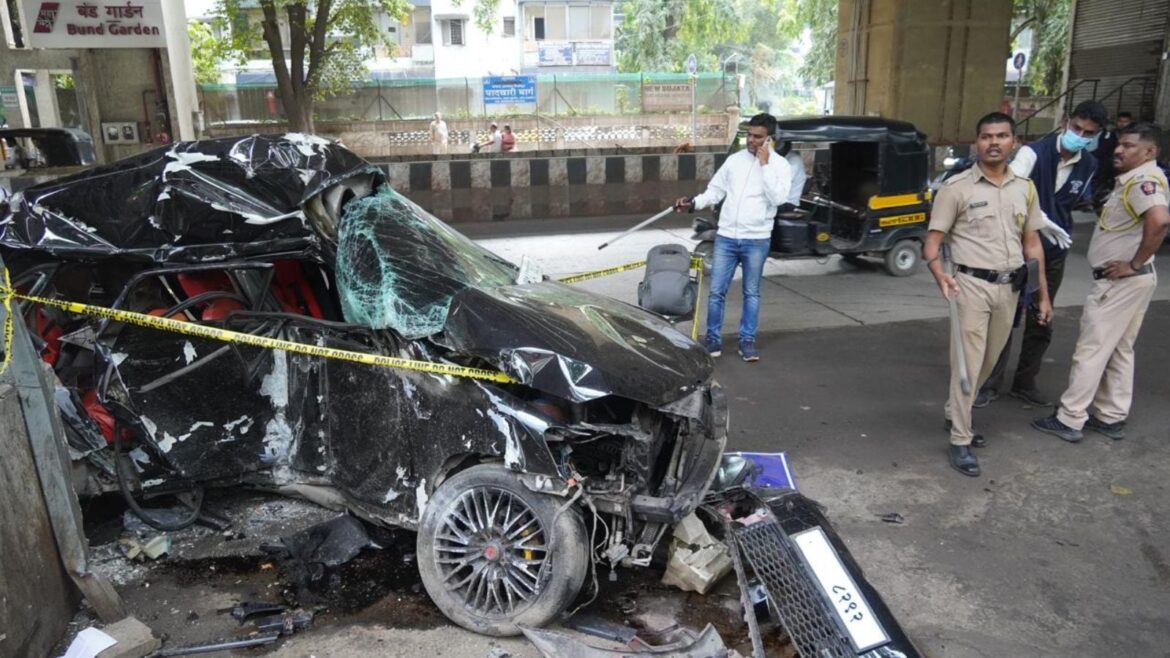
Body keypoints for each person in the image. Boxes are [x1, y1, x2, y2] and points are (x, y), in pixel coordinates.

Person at [923, 111, 1051, 477]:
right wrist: (940, 277)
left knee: (989, 363)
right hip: (970, 287)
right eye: (986, 136)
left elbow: (1032, 244)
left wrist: (1043, 296)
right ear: (975, 143)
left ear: (1014, 142)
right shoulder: (957, 188)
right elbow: (932, 244)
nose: (993, 142)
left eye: (1001, 136)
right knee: (967, 365)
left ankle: (954, 414)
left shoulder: (1024, 188)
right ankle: (960, 439)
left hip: (1009, 288)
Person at [1032, 123, 1169, 443]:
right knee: (1120, 348)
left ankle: (1070, 417)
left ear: (1149, 152)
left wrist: (1133, 264)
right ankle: (1110, 414)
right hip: (1136, 281)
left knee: (1091, 350)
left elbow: (1160, 220)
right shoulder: (1144, 178)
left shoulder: (1143, 180)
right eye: (1119, 144)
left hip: (1119, 282)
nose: (1119, 150)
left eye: (1129, 146)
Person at [975, 100, 1105, 409]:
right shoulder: (1035, 153)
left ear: (1098, 135)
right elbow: (1012, 189)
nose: (1080, 135)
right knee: (1005, 317)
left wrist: (1054, 229)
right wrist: (1041, 221)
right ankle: (990, 383)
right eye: (1076, 128)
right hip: (1015, 249)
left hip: (1053, 251)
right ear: (1065, 121)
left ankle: (1025, 381)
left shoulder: (1088, 165)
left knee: (1042, 316)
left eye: (1089, 133)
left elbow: (1071, 204)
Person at [674, 113, 791, 363]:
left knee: (751, 293)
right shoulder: (734, 161)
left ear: (770, 139)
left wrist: (766, 164)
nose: (750, 140)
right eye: (748, 134)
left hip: (757, 240)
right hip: (726, 237)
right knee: (716, 291)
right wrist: (693, 203)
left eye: (757, 136)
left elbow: (778, 199)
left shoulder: (781, 166)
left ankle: (747, 342)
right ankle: (713, 340)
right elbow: (714, 192)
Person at [1091, 112, 1131, 211]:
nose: (1122, 124)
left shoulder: (1132, 137)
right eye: (1120, 121)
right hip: (1106, 164)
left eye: (1125, 121)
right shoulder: (1109, 134)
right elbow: (1102, 149)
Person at [777, 141, 806, 212]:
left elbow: (782, 183)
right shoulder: (784, 158)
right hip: (780, 200)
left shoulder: (794, 160)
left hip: (788, 203)